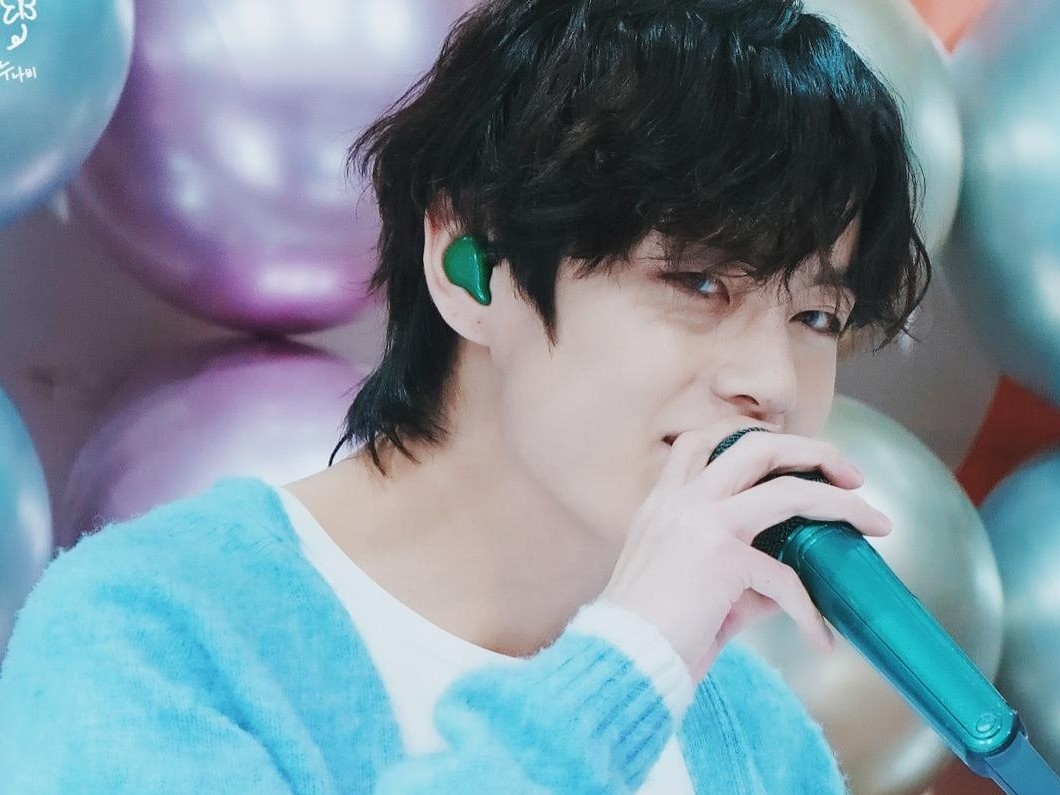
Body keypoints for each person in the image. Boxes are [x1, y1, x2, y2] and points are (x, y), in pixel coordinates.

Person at [0, 0, 928, 792]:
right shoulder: (150, 633)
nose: (772, 382)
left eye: (816, 316)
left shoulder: (753, 731)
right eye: (699, 282)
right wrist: (624, 674)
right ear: (470, 265)